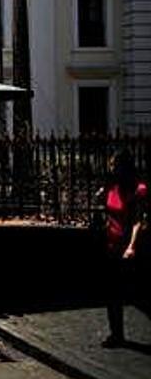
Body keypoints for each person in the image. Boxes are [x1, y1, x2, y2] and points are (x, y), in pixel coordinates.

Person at [99, 148, 147, 348]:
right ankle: (116, 334)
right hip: (111, 244)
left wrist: (132, 246)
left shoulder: (138, 189)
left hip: (128, 246)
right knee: (112, 293)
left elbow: (139, 219)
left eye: (114, 166)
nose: (111, 169)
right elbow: (107, 213)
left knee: (136, 292)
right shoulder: (112, 187)